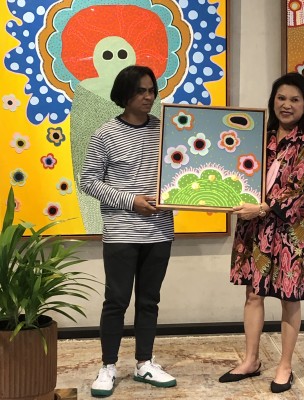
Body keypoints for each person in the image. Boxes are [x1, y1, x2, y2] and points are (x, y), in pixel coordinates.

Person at [219, 72, 304, 394]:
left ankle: (285, 366)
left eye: (294, 99)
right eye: (281, 98)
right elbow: (238, 172)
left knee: (290, 297)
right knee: (253, 293)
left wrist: (261, 208)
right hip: (256, 227)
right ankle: (251, 360)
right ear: (272, 101)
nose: (286, 105)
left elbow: (298, 190)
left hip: (292, 232)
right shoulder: (258, 137)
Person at [80, 65, 176, 397]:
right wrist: (131, 201)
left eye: (151, 90)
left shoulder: (166, 130)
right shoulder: (105, 134)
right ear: (124, 94)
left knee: (149, 301)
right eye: (140, 91)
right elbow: (89, 181)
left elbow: (181, 171)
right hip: (121, 232)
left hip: (160, 231)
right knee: (116, 301)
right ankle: (108, 366)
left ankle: (144, 363)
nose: (148, 97)